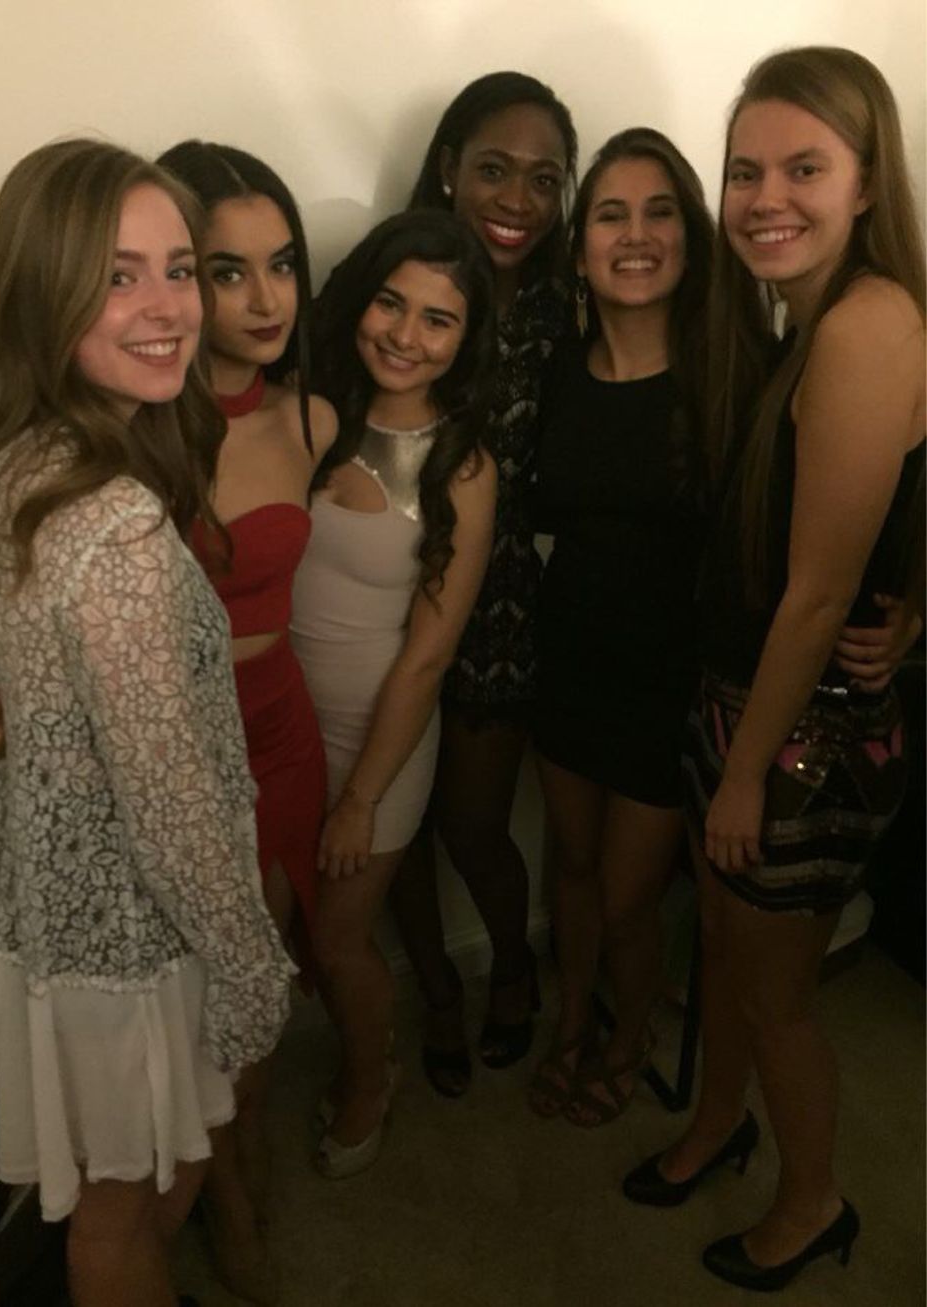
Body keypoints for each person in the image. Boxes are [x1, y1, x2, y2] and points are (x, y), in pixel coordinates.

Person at [0, 139, 294, 1307]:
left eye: (178, 269)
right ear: (41, 291)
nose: (169, 308)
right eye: (116, 277)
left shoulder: (14, 457)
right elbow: (173, 804)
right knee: (128, 1208)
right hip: (127, 930)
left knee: (138, 1182)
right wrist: (251, 969)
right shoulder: (118, 532)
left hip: (47, 898)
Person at [622, 47, 925, 1293]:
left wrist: (745, 773)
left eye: (803, 168)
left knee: (775, 994)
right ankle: (715, 1123)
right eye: (743, 171)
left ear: (866, 182)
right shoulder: (807, 316)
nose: (763, 198)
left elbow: (812, 597)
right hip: (744, 706)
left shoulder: (864, 322)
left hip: (800, 742)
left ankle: (812, 1201)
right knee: (724, 950)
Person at [154, 139, 335, 1303]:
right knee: (187, 996)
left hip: (278, 727)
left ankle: (242, 1166)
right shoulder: (127, 423)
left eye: (281, 264)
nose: (266, 298)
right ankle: (220, 1200)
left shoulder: (312, 417)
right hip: (173, 747)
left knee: (255, 994)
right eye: (228, 271)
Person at [293, 209, 498, 1174]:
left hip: (377, 742)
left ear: (466, 339)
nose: (406, 335)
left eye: (438, 319)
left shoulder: (464, 465)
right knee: (281, 929)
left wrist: (360, 799)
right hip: (275, 727)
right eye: (391, 302)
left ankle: (370, 1076)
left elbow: (428, 656)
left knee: (339, 938)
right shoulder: (303, 414)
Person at [389, 71, 578, 1097]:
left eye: (544, 179)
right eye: (495, 170)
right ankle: (434, 992)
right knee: (395, 834)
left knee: (469, 823)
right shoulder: (399, 279)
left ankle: (510, 966)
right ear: (448, 167)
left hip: (501, 607)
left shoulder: (565, 307)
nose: (518, 200)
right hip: (382, 592)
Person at [528, 129, 712, 1124]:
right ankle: (570, 1021)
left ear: (690, 234)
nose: (634, 235)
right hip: (566, 661)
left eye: (658, 211)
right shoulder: (557, 369)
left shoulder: (725, 377)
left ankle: (628, 1033)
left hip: (664, 683)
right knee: (570, 867)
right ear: (578, 247)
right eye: (610, 214)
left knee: (629, 895)